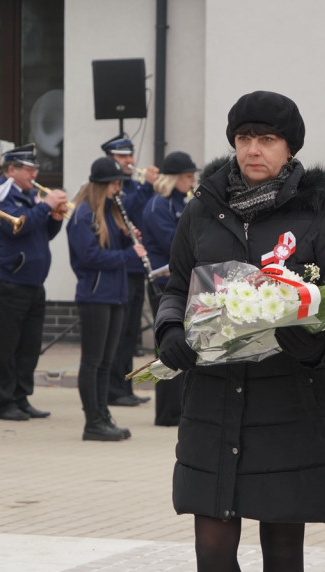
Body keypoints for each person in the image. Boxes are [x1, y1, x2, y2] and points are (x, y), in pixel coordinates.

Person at [153, 90, 325, 572]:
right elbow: (178, 285)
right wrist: (169, 331)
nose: (254, 149)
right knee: (212, 548)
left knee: (284, 551)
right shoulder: (203, 209)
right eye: (245, 138)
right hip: (213, 400)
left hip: (289, 402)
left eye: (267, 139)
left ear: (289, 148)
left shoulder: (322, 214)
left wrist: (316, 345)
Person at [67, 157, 148, 441]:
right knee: (92, 360)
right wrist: (129, 254)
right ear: (102, 185)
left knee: (106, 360)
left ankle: (103, 415)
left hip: (115, 294)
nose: (118, 189)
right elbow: (89, 256)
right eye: (115, 184)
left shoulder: (111, 212)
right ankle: (93, 421)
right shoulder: (83, 215)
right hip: (94, 295)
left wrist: (129, 239)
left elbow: (113, 247)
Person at [0, 144, 67, 421]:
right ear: (11, 170)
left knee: (29, 346)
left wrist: (54, 218)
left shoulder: (31, 195)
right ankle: (5, 401)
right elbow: (15, 226)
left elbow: (41, 233)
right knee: (6, 347)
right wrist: (46, 206)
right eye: (29, 169)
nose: (34, 174)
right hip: (8, 281)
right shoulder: (0, 194)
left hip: (33, 283)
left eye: (35, 169)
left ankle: (21, 397)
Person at [141, 150, 198, 427]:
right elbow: (175, 244)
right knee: (167, 346)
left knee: (186, 344)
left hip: (182, 283)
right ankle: (166, 412)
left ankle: (181, 407)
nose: (192, 181)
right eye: (188, 177)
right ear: (174, 178)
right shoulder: (157, 206)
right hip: (163, 284)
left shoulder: (183, 202)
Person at [101, 135, 157, 407]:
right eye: (123, 157)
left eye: (131, 155)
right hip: (120, 267)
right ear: (111, 158)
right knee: (120, 332)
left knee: (131, 333)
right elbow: (129, 211)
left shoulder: (132, 186)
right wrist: (147, 188)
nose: (130, 161)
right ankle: (113, 389)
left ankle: (125, 387)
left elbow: (144, 215)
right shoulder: (111, 188)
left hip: (137, 268)